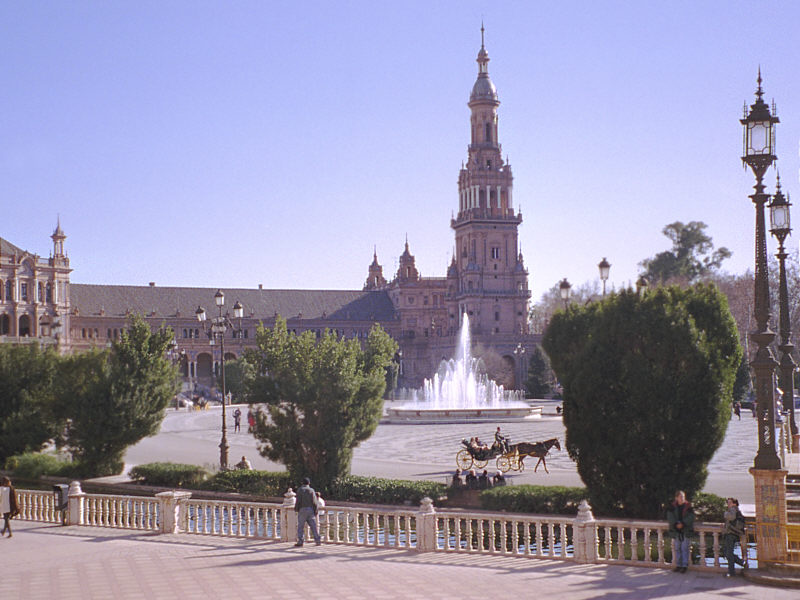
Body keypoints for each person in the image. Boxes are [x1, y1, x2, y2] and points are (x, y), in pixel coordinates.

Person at [666, 490, 695, 573]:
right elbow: (670, 516)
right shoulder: (672, 507)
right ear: (676, 498)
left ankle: (684, 566)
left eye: (683, 497)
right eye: (680, 497)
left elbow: (692, 517)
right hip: (676, 531)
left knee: (684, 548)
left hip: (685, 531)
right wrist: (676, 524)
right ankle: (678, 565)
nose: (682, 498)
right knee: (677, 548)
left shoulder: (689, 506)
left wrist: (683, 523)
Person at [722, 497, 746, 576]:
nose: (728, 504)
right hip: (733, 534)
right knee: (727, 552)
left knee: (728, 553)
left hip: (731, 534)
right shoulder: (737, 510)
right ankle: (741, 562)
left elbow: (731, 517)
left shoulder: (733, 509)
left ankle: (732, 572)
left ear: (734, 503)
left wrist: (725, 514)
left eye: (730, 503)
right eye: (727, 503)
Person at [294, 477, 321, 547]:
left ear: (302, 483)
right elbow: (315, 502)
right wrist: (316, 510)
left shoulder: (300, 490)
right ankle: (317, 540)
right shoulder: (311, 490)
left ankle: (300, 541)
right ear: (309, 483)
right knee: (313, 526)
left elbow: (298, 501)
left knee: (300, 526)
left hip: (302, 510)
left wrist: (296, 509)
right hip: (310, 510)